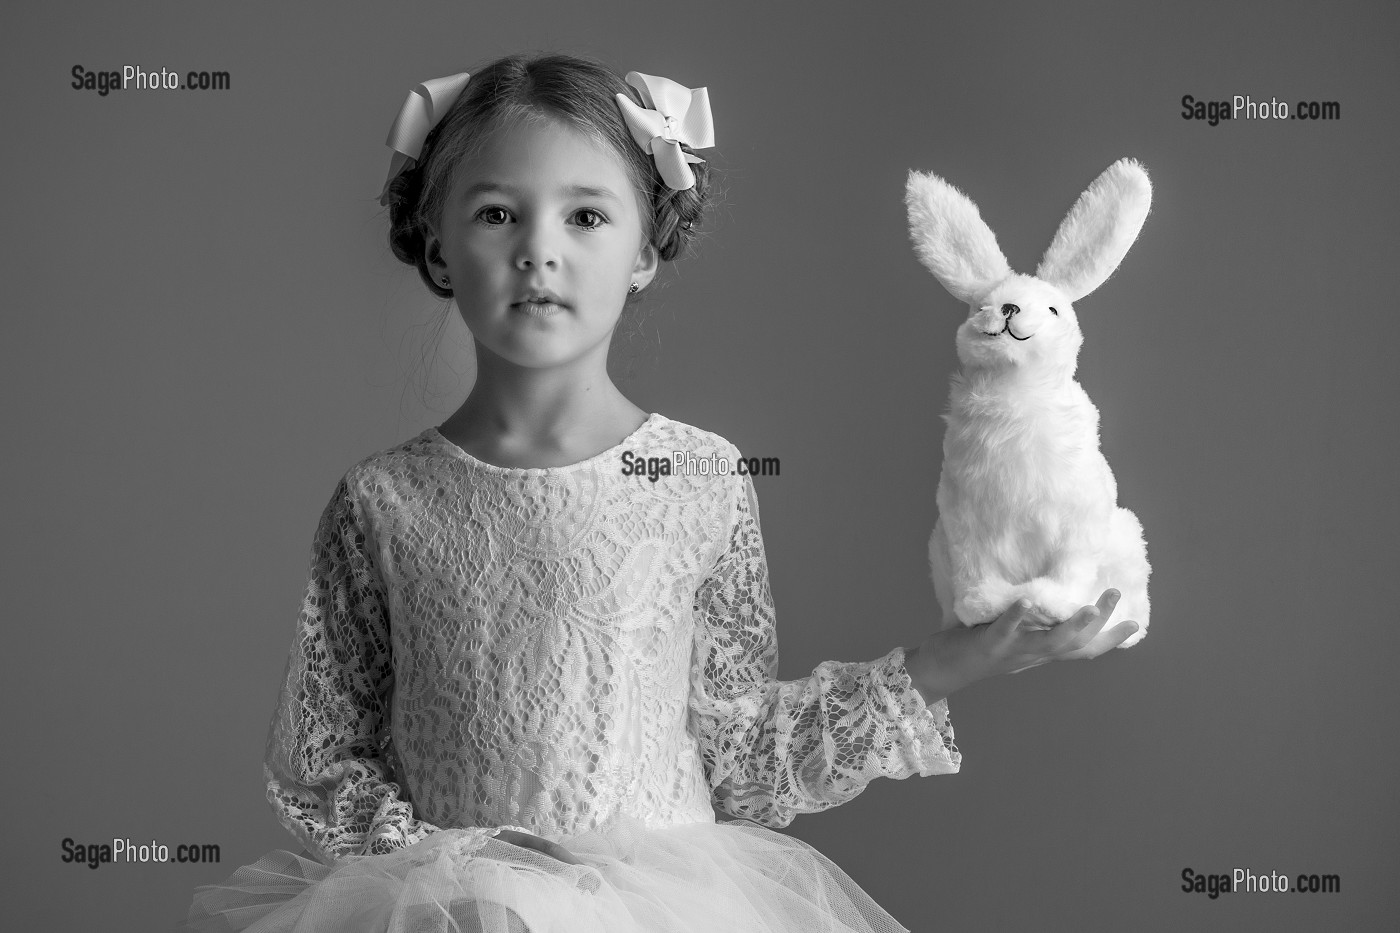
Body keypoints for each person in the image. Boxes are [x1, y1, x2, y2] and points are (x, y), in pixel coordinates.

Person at [186, 51, 1138, 933]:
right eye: (494, 213)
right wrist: (453, 871)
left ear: (645, 250)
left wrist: (952, 660)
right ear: (437, 248)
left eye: (586, 215)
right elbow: (324, 759)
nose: (538, 250)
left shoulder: (701, 480)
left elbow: (739, 753)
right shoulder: (381, 500)